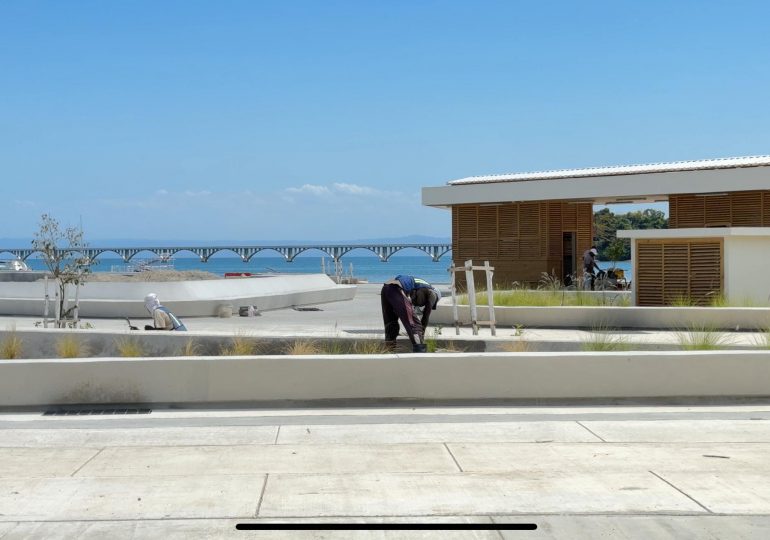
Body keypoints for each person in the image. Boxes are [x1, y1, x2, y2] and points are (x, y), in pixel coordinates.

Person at [381, 275, 441, 353]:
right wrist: (421, 333)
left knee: (391, 324)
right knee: (415, 326)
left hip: (386, 288)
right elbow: (426, 314)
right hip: (398, 288)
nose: (423, 304)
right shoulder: (433, 293)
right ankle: (420, 355)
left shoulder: (420, 287)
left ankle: (389, 352)